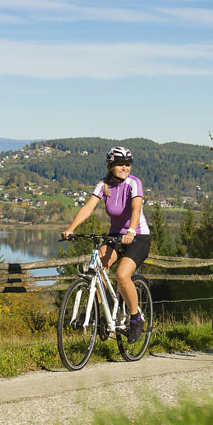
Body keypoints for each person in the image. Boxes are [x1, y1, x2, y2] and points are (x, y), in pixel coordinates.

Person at [62, 146, 151, 343]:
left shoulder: (134, 183)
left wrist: (131, 231)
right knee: (98, 269)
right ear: (110, 166)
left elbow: (136, 208)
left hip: (138, 236)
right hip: (115, 236)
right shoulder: (104, 185)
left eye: (127, 164)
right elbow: (88, 207)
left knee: (122, 275)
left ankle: (136, 318)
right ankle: (104, 316)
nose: (125, 168)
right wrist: (71, 228)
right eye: (120, 164)